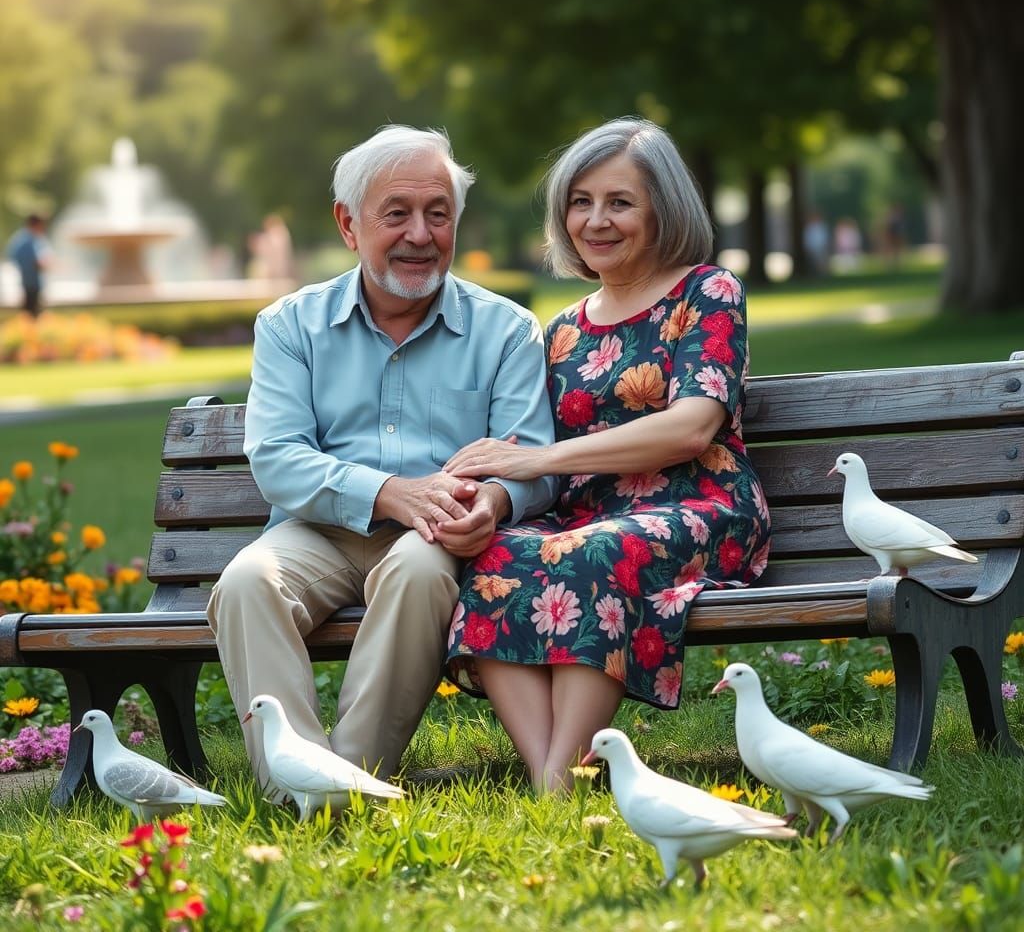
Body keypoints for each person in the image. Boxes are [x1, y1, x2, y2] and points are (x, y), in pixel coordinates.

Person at [207, 125, 558, 792]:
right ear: (349, 224)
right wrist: (388, 491)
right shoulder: (289, 326)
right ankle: (296, 788)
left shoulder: (506, 330)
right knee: (247, 584)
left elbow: (533, 459)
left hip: (435, 536)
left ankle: (343, 787)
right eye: (397, 214)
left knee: (421, 574)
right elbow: (277, 457)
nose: (420, 235)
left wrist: (494, 502)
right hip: (317, 530)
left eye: (438, 214)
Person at [443, 118, 772, 793]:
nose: (596, 220)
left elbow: (690, 428)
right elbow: (522, 441)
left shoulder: (705, 292)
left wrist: (535, 461)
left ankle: (558, 778)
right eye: (580, 201)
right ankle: (551, 779)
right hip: (591, 516)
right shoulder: (564, 329)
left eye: (620, 202)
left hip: (699, 508)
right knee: (496, 557)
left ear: (662, 211)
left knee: (597, 552)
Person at [5, 214, 50, 315]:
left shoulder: (24, 238)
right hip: (30, 282)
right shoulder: (26, 240)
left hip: (30, 281)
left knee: (30, 312)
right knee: (31, 313)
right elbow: (34, 261)